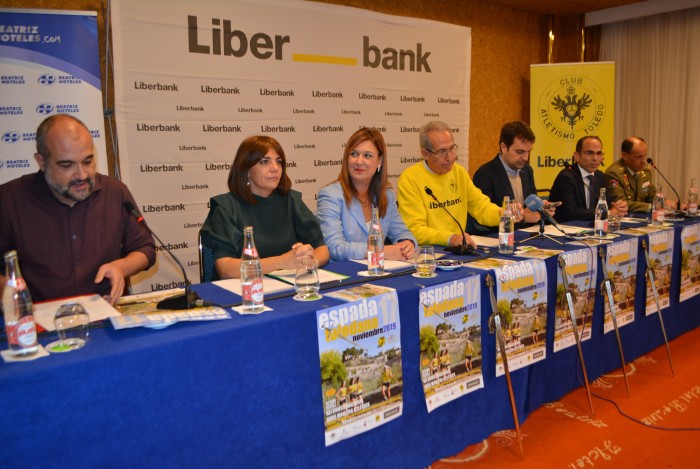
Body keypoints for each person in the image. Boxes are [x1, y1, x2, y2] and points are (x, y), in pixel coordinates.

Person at [0, 114, 155, 304]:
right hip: (39, 324)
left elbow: (145, 248)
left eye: (88, 161)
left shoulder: (114, 192)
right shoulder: (9, 199)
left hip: (108, 318)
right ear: (41, 162)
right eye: (67, 165)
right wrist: (14, 297)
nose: (82, 175)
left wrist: (121, 267)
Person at [201, 135, 329, 279]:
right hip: (243, 291)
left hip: (287, 287)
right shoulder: (225, 208)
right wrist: (282, 262)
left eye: (279, 162)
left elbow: (322, 249)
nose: (275, 168)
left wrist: (309, 263)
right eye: (264, 162)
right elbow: (226, 269)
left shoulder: (291, 200)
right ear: (246, 169)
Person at [397, 121, 504, 249]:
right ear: (425, 153)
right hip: (429, 252)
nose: (450, 157)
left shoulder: (459, 172)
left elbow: (481, 208)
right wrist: (449, 238)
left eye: (452, 149)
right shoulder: (410, 178)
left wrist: (505, 214)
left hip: (459, 248)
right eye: (442, 151)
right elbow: (414, 229)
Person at [317, 128, 416, 261]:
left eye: (367, 155)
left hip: (377, 272)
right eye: (354, 154)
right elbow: (334, 248)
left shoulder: (387, 195)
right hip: (345, 275)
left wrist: (408, 244)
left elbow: (402, 233)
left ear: (379, 161)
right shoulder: (331, 195)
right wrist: (379, 251)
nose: (359, 161)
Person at [471, 120, 553, 232]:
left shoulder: (527, 170)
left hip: (528, 237)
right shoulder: (485, 174)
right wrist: (522, 218)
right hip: (499, 240)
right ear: (504, 147)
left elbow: (530, 206)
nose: (526, 158)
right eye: (520, 152)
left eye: (529, 151)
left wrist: (542, 211)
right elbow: (485, 222)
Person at [549, 136, 628, 222]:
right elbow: (570, 213)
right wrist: (607, 213)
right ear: (577, 156)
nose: (595, 158)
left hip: (591, 227)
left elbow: (607, 202)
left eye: (599, 153)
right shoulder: (566, 177)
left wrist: (618, 207)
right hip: (567, 227)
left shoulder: (599, 175)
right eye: (589, 153)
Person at [605, 136, 656, 212]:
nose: (644, 161)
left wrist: (665, 203)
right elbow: (621, 203)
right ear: (625, 156)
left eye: (645, 155)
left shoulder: (645, 171)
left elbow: (652, 196)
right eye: (638, 157)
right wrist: (650, 207)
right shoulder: (614, 173)